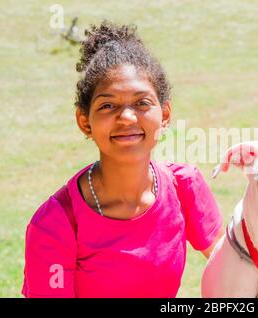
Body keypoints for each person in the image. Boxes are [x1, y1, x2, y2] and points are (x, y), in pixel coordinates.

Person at [21, 21, 224, 298]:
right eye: (107, 105)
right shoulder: (55, 224)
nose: (127, 117)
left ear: (164, 116)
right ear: (84, 122)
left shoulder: (184, 187)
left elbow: (234, 272)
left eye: (142, 103)